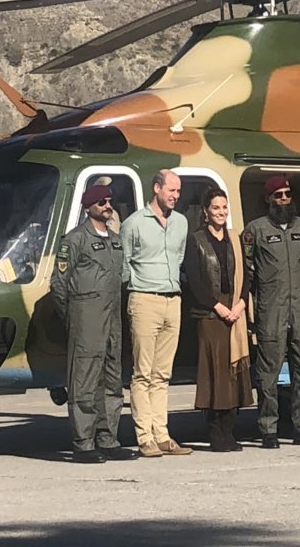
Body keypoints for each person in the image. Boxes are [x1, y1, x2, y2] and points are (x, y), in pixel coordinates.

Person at [50, 184, 138, 463]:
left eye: (109, 201)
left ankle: (107, 438)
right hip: (86, 317)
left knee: (112, 381)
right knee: (84, 381)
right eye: (101, 202)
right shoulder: (74, 240)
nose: (107, 206)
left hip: (112, 318)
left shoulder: (114, 240)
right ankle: (83, 442)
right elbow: (59, 284)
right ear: (89, 207)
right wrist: (73, 316)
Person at [242, 175, 300, 449]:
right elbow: (247, 266)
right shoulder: (256, 230)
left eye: (287, 194)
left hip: (299, 307)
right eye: (278, 195)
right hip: (271, 307)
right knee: (268, 372)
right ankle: (268, 429)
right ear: (268, 199)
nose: (284, 199)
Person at [121, 169, 192, 458]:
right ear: (157, 189)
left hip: (172, 299)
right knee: (143, 373)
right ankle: (144, 436)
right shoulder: (134, 224)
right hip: (144, 299)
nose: (175, 196)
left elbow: (179, 257)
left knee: (163, 374)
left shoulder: (182, 223)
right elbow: (124, 265)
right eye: (171, 190)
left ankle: (162, 434)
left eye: (178, 191)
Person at [184, 187, 253, 451]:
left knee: (234, 374)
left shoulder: (235, 239)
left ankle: (230, 430)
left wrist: (241, 304)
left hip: (235, 308)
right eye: (216, 208)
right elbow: (194, 280)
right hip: (210, 313)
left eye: (224, 208)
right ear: (206, 212)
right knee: (215, 373)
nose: (221, 213)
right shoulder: (197, 240)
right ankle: (215, 432)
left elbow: (246, 275)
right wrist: (217, 307)